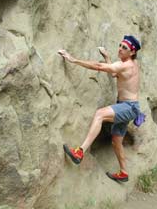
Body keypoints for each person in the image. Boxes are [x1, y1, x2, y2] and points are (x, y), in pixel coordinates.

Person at [58, 35, 141, 182]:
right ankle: (123, 172)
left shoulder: (126, 65)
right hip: (129, 107)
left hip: (128, 107)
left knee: (99, 114)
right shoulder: (131, 64)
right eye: (120, 46)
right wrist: (108, 57)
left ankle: (80, 152)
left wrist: (73, 59)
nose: (120, 49)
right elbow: (115, 73)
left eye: (124, 48)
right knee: (116, 141)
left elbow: (99, 67)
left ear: (132, 52)